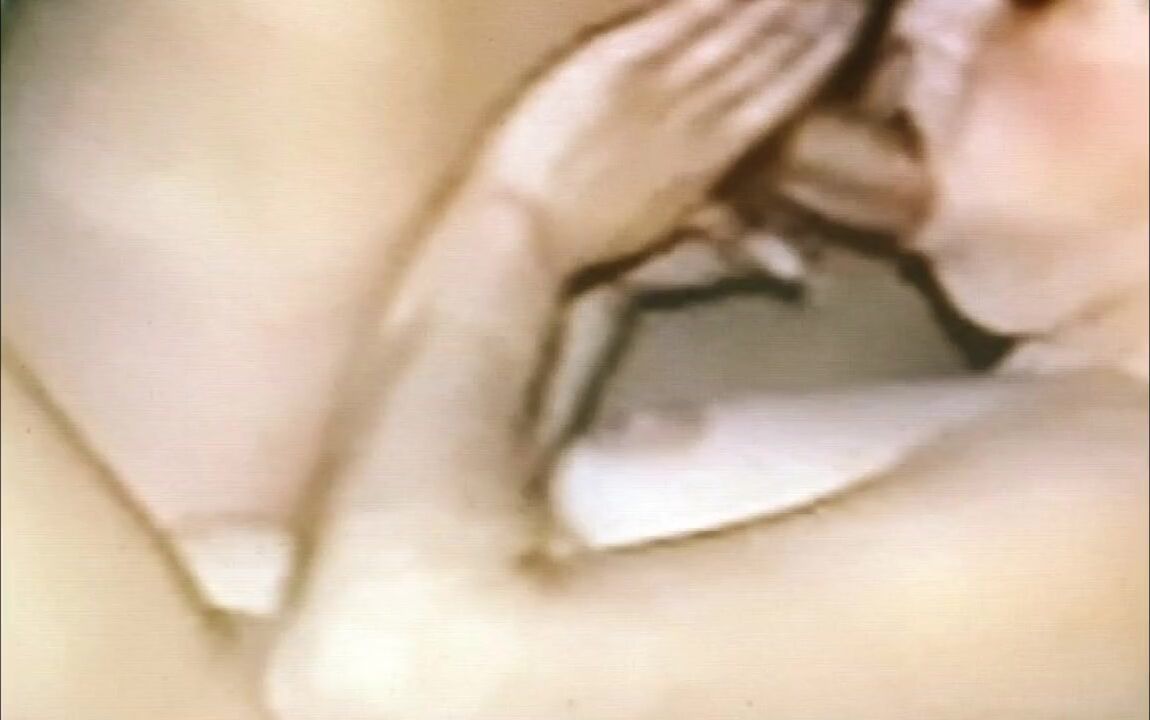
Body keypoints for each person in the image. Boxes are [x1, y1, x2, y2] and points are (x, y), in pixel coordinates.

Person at [2, 1, 1146, 719]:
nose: (935, 13)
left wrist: (518, 232)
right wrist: (587, 287)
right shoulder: (1077, 438)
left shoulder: (1120, 514)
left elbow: (379, 675)